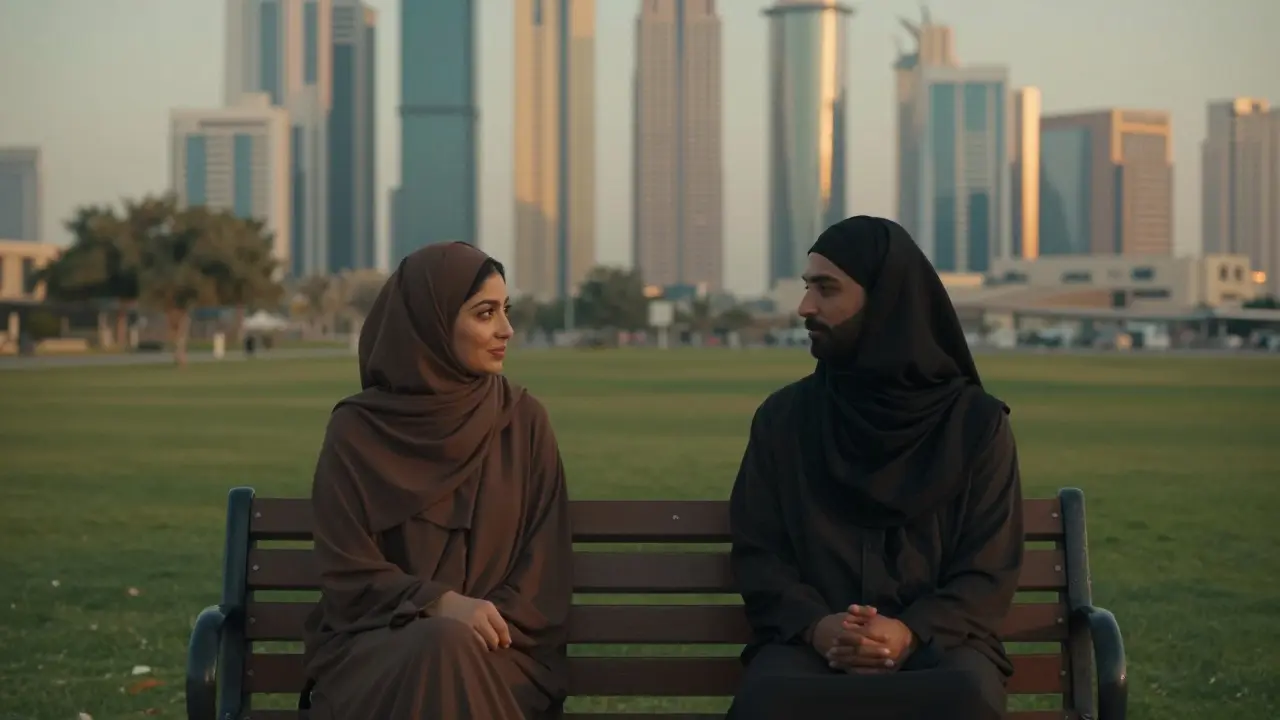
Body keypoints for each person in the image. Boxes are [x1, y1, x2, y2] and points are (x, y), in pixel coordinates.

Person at [726, 216, 1025, 720]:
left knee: (963, 699)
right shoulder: (784, 420)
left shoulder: (974, 426)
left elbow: (986, 571)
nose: (804, 307)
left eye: (826, 289)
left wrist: (908, 632)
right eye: (806, 288)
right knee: (769, 699)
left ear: (886, 301)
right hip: (807, 653)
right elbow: (760, 554)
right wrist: (820, 628)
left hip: (941, 652)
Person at [300, 242, 573, 720]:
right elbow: (346, 571)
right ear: (429, 324)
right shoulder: (357, 432)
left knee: (449, 650)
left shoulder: (522, 421)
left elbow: (542, 574)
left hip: (502, 654)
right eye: (485, 313)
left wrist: (477, 625)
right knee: (440, 646)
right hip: (376, 650)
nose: (506, 330)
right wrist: (436, 605)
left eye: (506, 311)